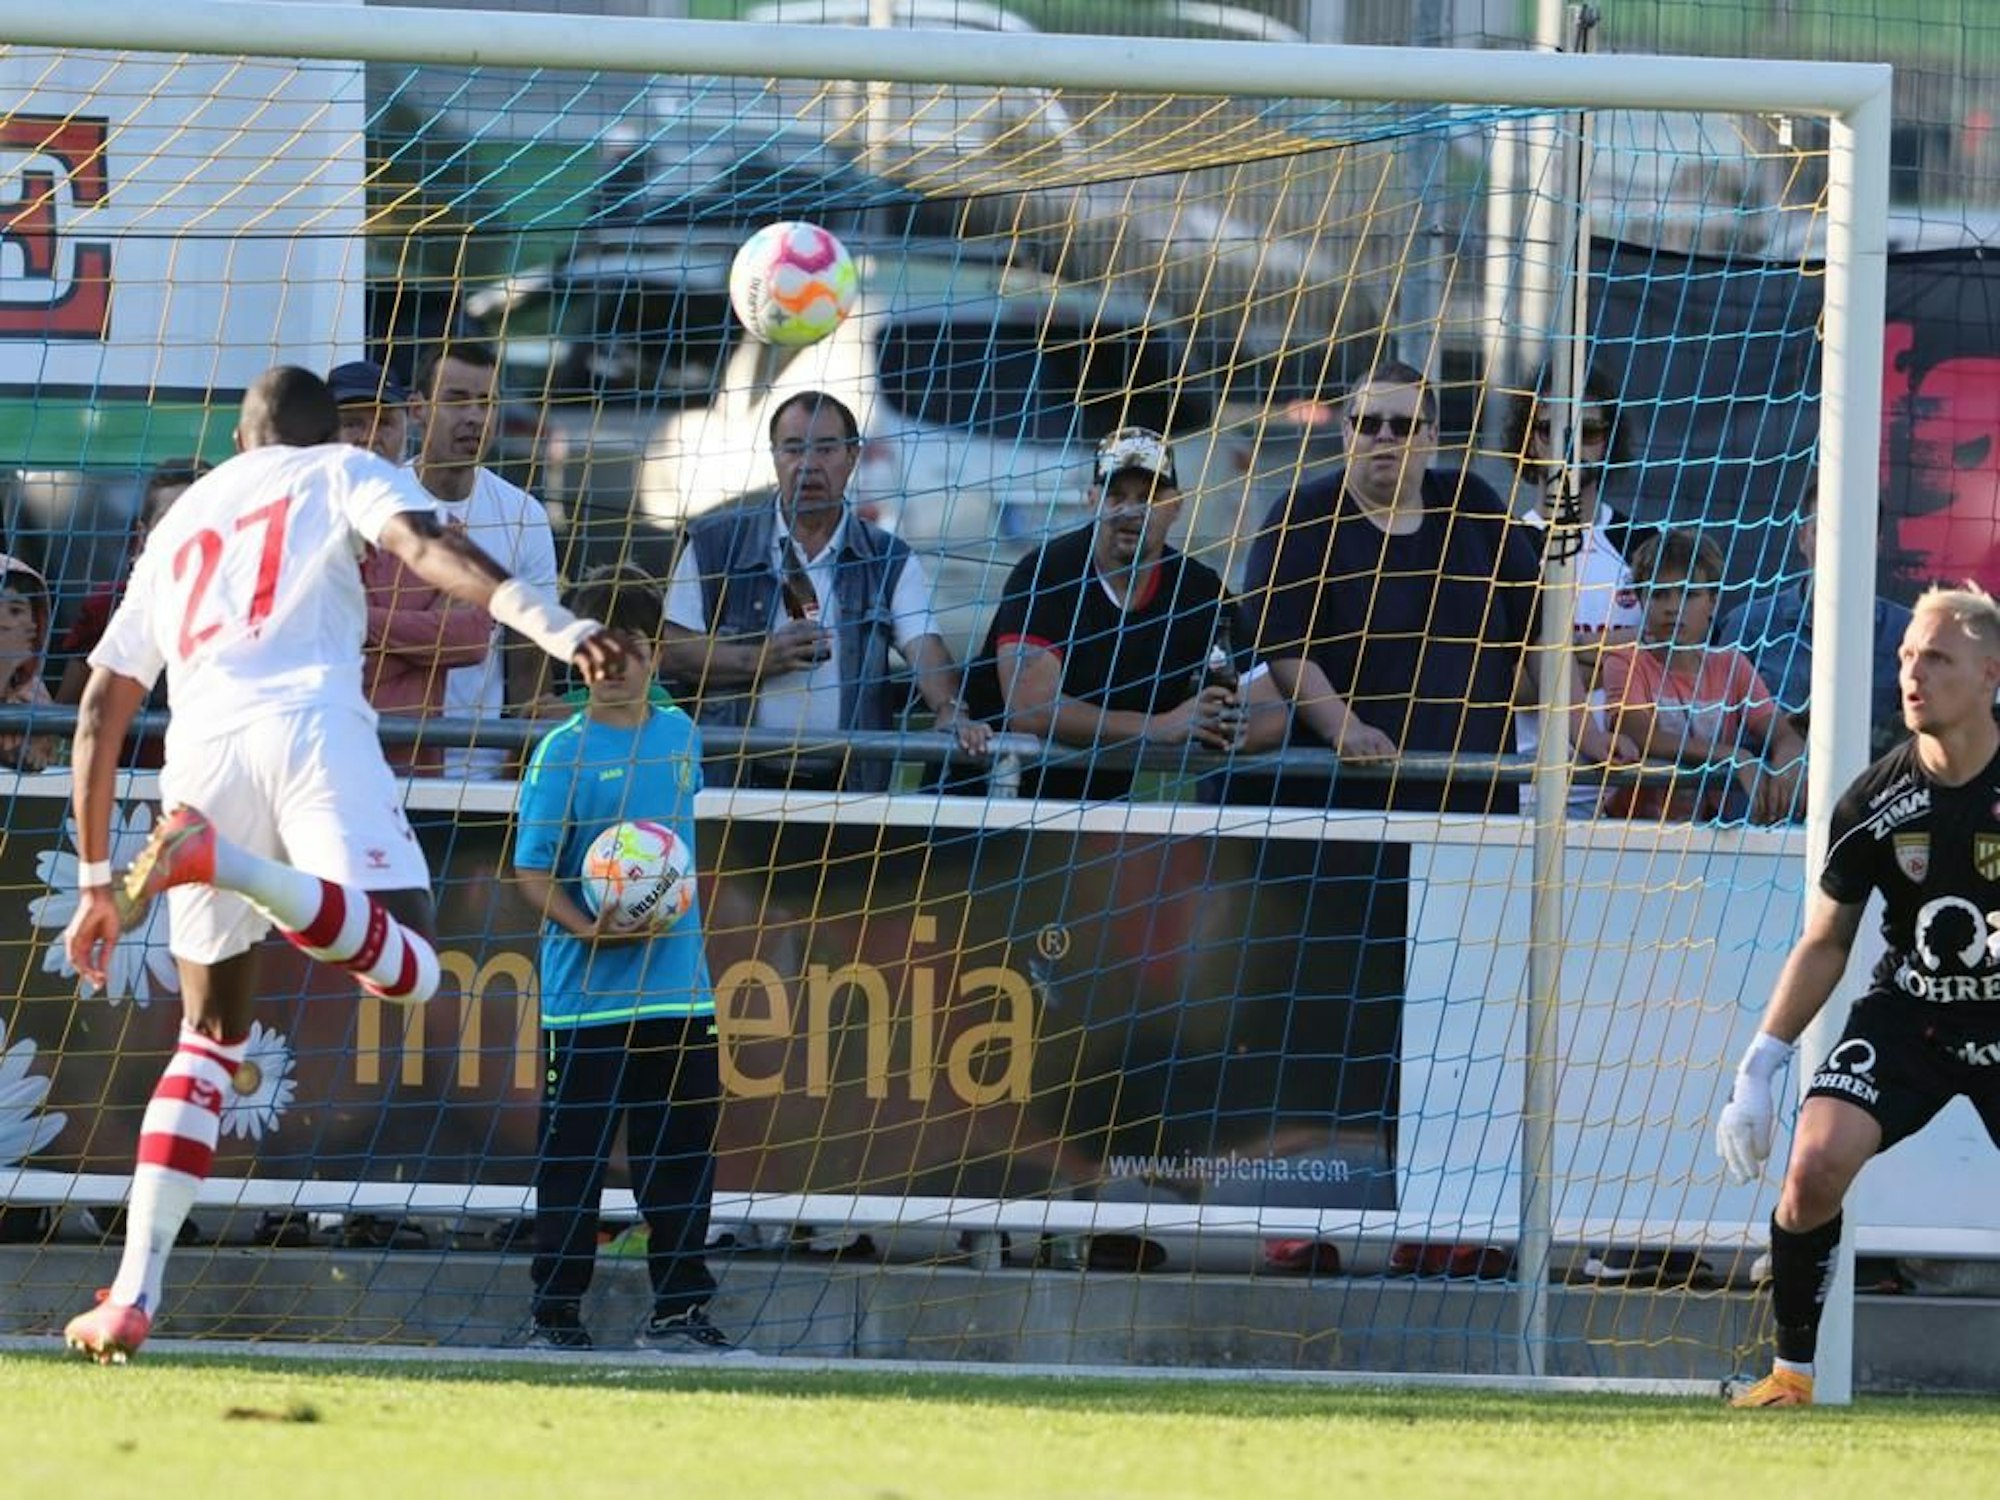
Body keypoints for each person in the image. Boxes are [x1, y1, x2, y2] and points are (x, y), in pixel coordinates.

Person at [58, 366, 629, 1364]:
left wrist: (97, 880)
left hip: (197, 757)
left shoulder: (186, 512)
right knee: (411, 965)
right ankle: (229, 864)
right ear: (331, 433)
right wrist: (557, 622)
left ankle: (133, 1296)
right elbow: (425, 543)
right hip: (310, 729)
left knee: (207, 1041)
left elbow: (102, 702)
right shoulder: (341, 469)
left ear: (241, 439)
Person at [1717, 584, 2000, 1408]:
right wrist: (1760, 1066)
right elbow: (1827, 940)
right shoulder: (1875, 798)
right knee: (1811, 1169)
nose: (1913, 675)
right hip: (1911, 1015)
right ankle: (1790, 1378)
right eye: (1907, 657)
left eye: (1936, 658)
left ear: (1990, 674)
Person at [513, 564, 739, 1354]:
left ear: (653, 653)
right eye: (594, 650)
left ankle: (679, 1311)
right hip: (588, 999)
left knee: (679, 1159)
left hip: (680, 993)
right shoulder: (561, 753)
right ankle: (555, 1315)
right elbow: (532, 871)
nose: (611, 666)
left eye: (628, 648)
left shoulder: (681, 736)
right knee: (573, 1161)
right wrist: (588, 927)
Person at [1242, 359, 1628, 814]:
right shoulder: (1303, 517)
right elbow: (1287, 650)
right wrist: (1342, 726)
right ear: (1346, 432)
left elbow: (1540, 636)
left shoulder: (1473, 504)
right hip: (1348, 800)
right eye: (1368, 423)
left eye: (1404, 425)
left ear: (1432, 435)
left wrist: (1587, 733)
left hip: (1472, 800)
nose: (1385, 437)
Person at [662, 390, 990, 792]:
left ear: (853, 457)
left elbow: (925, 647)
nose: (808, 465)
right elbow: (673, 651)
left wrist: (950, 709)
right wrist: (762, 659)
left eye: (826, 449)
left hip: (846, 789)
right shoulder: (714, 543)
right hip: (732, 785)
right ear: (774, 456)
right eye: (793, 448)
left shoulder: (888, 558)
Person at [960, 425, 1284, 800]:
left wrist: (1226, 730)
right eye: (1116, 496)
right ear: (1092, 500)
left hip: (1100, 804)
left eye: (1148, 497)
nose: (1130, 511)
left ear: (1176, 506)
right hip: (984, 792)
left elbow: (1272, 710)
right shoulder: (1046, 573)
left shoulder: (1198, 590)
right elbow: (1030, 710)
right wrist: (1159, 726)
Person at [333, 359, 494, 777]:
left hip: (414, 779)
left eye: (385, 422)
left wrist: (355, 620)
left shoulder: (444, 530)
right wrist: (421, 640)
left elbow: (471, 639)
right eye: (352, 423)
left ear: (407, 427)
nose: (370, 436)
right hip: (320, 770)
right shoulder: (298, 532)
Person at [409, 341, 563, 778]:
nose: (475, 417)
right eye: (456, 401)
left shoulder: (524, 515)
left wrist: (518, 768)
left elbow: (530, 663)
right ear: (418, 410)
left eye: (487, 403)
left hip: (479, 768)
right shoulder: (380, 502)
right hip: (384, 759)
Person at [1503, 367, 1647, 816]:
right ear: (1530, 440)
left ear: (1608, 441)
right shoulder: (1503, 545)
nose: (1570, 446)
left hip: (1628, 794)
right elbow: (1500, 682)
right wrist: (1616, 659)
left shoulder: (1644, 545)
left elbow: (1669, 661)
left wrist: (1559, 659)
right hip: (1523, 794)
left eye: (1588, 432)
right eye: (1551, 430)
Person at [1600, 528, 1806, 825]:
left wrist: (1788, 761)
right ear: (1642, 601)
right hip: (1630, 831)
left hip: (1708, 832)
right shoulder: (1624, 661)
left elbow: (1781, 732)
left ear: (1713, 602)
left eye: (1689, 594)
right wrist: (1734, 756)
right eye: (1659, 594)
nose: (1673, 608)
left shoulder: (1731, 665)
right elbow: (1642, 736)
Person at [1717, 483, 1914, 761]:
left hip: (1868, 784)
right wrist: (1779, 743)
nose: (1838, 544)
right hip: (1767, 785)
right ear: (1802, 538)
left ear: (1877, 543)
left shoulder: (1908, 632)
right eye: (1824, 530)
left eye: (1854, 532)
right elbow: (1717, 729)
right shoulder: (1747, 625)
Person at [55, 459, 212, 768]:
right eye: (170, 520)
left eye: (198, 518)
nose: (185, 533)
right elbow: (67, 714)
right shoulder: (109, 605)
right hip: (127, 781)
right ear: (143, 534)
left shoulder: (251, 609)